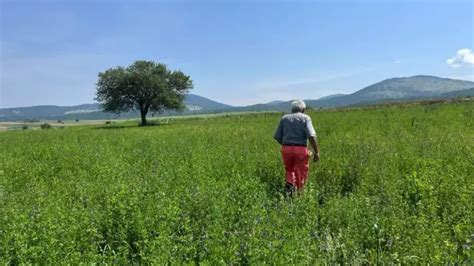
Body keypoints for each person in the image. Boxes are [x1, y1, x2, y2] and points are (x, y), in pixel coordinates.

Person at [274, 100, 319, 196]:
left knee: (289, 170)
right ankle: (300, 194)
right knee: (301, 172)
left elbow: (277, 136)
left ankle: (290, 187)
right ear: (303, 109)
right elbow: (311, 136)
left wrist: (286, 145)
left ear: (292, 109)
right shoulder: (306, 118)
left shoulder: (284, 118)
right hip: (300, 150)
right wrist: (316, 152)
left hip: (286, 149)